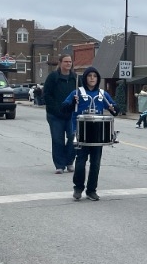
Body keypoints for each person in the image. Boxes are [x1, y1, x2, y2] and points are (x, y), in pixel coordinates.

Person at [61, 67, 118, 201]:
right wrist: (73, 103)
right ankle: (78, 187)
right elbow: (64, 108)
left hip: (98, 134)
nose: (92, 78)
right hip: (81, 132)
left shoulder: (102, 94)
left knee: (96, 163)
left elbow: (115, 110)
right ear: (85, 78)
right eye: (89, 76)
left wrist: (113, 108)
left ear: (98, 79)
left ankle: (91, 190)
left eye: (95, 76)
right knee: (80, 162)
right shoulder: (77, 93)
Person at [44, 54, 78, 174]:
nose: (68, 64)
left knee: (73, 138)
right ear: (60, 63)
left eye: (70, 62)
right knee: (57, 140)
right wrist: (56, 109)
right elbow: (46, 95)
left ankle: (69, 162)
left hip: (71, 115)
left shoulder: (75, 78)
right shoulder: (53, 77)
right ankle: (59, 165)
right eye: (66, 61)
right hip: (55, 115)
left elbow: (80, 94)